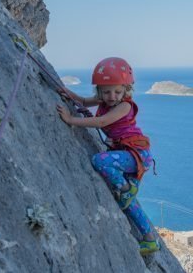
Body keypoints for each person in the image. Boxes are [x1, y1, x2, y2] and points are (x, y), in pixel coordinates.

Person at [56, 57, 160, 255]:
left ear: (126, 90)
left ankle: (126, 187)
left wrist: (70, 120)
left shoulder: (125, 106)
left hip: (136, 154)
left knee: (99, 161)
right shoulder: (105, 99)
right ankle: (150, 240)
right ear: (100, 91)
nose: (112, 96)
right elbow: (85, 101)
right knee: (128, 204)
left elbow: (101, 122)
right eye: (106, 91)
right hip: (127, 153)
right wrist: (67, 92)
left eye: (117, 91)